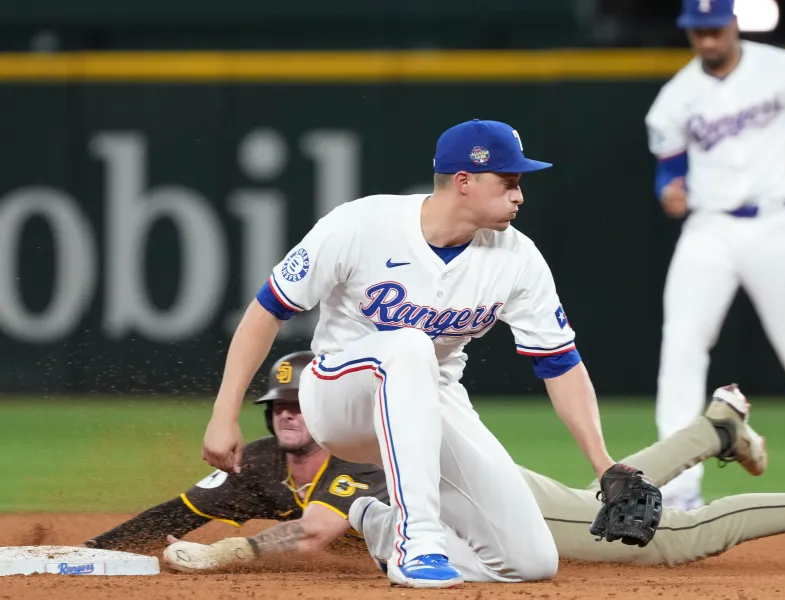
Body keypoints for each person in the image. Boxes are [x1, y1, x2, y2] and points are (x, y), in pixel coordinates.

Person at [199, 119, 639, 588]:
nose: (519, 195)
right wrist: (224, 412)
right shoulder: (362, 225)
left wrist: (603, 463)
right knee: (409, 344)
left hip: (431, 403)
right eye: (508, 182)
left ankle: (381, 526)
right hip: (339, 395)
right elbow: (267, 310)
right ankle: (420, 544)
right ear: (464, 182)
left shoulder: (518, 258)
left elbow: (559, 362)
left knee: (530, 563)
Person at [86, 373, 785, 570]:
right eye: (281, 403)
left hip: (489, 505)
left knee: (669, 541)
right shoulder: (268, 464)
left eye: (306, 400)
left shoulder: (363, 454)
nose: (292, 413)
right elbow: (186, 506)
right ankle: (716, 427)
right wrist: (107, 554)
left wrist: (232, 554)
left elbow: (319, 533)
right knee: (595, 502)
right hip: (486, 494)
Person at [644, 0, 785, 509]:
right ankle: (680, 486)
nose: (706, 41)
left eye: (714, 29)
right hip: (709, 229)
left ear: (734, 23)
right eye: (697, 31)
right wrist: (669, 192)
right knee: (680, 351)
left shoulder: (783, 69)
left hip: (777, 223)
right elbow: (669, 169)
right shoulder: (674, 99)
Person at [84, 351, 386, 562]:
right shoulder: (261, 461)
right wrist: (97, 548)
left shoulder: (363, 456)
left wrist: (219, 555)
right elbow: (176, 515)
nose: (286, 415)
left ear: (326, 412)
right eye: (278, 406)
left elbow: (312, 534)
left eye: (298, 405)